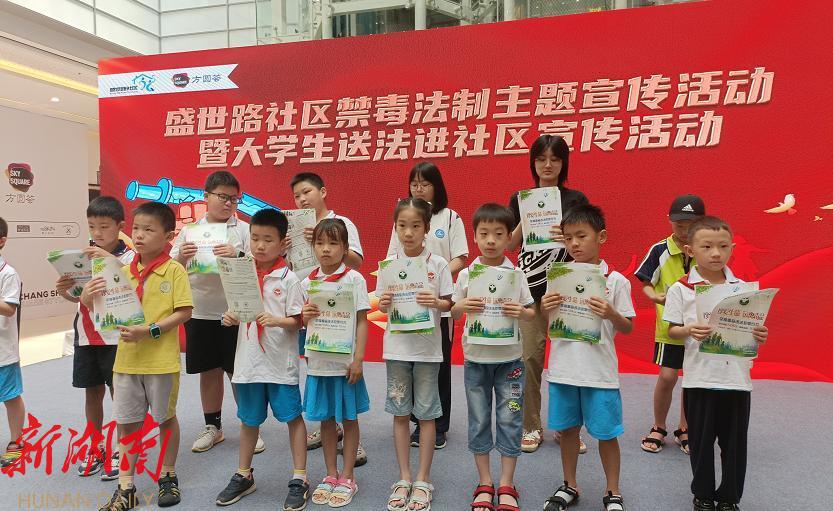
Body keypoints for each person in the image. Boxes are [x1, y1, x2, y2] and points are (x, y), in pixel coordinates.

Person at [82, 202, 193, 510]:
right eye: (136, 229)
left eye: (149, 230)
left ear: (168, 235)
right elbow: (105, 314)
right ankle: (125, 486)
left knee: (165, 418)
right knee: (128, 423)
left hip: (161, 362)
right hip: (126, 362)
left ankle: (168, 475)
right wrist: (88, 298)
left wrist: (150, 330)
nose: (139, 235)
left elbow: (184, 311)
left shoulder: (175, 270)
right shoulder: (120, 273)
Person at [663, 216, 768, 511]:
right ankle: (703, 495)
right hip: (699, 378)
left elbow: (752, 332)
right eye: (706, 246)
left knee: (734, 445)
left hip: (737, 381)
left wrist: (759, 334)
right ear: (690, 250)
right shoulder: (681, 289)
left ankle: (729, 498)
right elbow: (672, 330)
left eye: (723, 246)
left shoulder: (744, 290)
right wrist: (688, 329)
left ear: (732, 248)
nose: (715, 253)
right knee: (700, 442)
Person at [540, 204, 635, 511]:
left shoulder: (616, 280)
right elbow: (548, 324)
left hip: (599, 373)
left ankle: (613, 491)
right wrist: (544, 308)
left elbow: (627, 326)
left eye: (581, 236)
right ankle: (569, 485)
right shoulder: (558, 277)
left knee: (607, 434)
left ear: (601, 237)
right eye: (568, 238)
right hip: (563, 370)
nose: (574, 244)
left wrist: (611, 312)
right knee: (568, 431)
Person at [214, 209, 309, 510]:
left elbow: (298, 320)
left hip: (280, 364)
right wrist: (230, 317)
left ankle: (300, 477)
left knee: (292, 418)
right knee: (248, 420)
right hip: (248, 363)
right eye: (255, 238)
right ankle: (244, 474)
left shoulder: (289, 278)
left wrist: (277, 320)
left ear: (282, 243)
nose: (260, 245)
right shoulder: (240, 272)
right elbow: (237, 309)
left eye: (268, 239)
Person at [508, 134, 589, 454]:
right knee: (529, 359)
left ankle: (568, 428)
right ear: (533, 162)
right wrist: (526, 219)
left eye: (555, 159)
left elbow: (585, 241)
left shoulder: (576, 199)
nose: (548, 165)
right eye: (541, 159)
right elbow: (510, 244)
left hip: (566, 288)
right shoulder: (520, 198)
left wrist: (566, 235)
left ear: (563, 163)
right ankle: (530, 426)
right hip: (529, 290)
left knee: (571, 360)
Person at [450, 203, 534, 511]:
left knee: (511, 418)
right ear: (474, 236)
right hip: (476, 360)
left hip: (510, 361)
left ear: (509, 238)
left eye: (499, 234)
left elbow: (531, 311)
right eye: (484, 233)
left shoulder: (516, 274)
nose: (491, 240)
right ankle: (485, 481)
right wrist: (461, 306)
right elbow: (453, 311)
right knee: (479, 419)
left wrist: (521, 312)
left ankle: (506, 483)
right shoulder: (467, 274)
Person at [377, 198, 453, 511]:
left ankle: (423, 478)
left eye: (415, 226)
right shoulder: (389, 266)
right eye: (402, 226)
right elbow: (382, 306)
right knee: (400, 412)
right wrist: (383, 304)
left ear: (426, 228)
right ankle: (404, 477)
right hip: (396, 349)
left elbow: (449, 304)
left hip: (427, 351)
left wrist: (437, 303)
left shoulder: (438, 265)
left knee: (426, 413)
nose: (408, 232)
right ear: (395, 228)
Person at [387, 161, 468, 450]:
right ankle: (416, 422)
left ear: (437, 186)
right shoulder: (403, 216)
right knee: (409, 364)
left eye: (425, 183)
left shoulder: (450, 217)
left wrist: (434, 274)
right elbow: (391, 260)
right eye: (414, 183)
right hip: (407, 306)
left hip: (439, 304)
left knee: (438, 366)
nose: (419, 188)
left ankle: (439, 425)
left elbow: (461, 257)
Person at [288, 172, 367, 466]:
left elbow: (357, 260)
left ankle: (351, 449)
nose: (302, 199)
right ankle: (330, 442)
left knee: (348, 403)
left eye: (306, 192)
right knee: (322, 390)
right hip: (313, 316)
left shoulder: (342, 223)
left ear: (322, 191)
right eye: (297, 195)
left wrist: (322, 238)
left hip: (342, 327)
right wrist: (286, 248)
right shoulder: (293, 227)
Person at [171, 171, 253, 454]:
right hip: (200, 311)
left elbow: (259, 266)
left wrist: (237, 255)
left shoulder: (244, 230)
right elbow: (171, 271)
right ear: (206, 196)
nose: (228, 203)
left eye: (234, 198)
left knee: (238, 372)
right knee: (208, 371)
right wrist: (182, 256)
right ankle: (213, 427)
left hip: (235, 312)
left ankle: (249, 426)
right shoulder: (189, 231)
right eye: (222, 197)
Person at [55, 196, 135, 480]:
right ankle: (95, 446)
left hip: (117, 337)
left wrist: (109, 260)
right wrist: (65, 291)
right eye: (92, 226)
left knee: (120, 395)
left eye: (104, 226)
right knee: (92, 393)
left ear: (120, 226)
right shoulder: (82, 257)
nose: (97, 233)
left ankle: (121, 448)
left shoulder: (130, 258)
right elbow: (80, 298)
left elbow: (134, 288)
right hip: (87, 334)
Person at [301, 218, 370, 508]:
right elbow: (302, 323)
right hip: (318, 364)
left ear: (345, 248)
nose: (326, 249)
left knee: (350, 420)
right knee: (326, 421)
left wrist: (358, 359)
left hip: (345, 366)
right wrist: (303, 316)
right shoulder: (307, 283)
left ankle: (348, 475)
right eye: (320, 243)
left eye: (333, 243)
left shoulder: (354, 279)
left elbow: (362, 321)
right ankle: (331, 474)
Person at [636, 195, 705, 455]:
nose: (684, 229)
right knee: (668, 376)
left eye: (690, 223)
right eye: (679, 223)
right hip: (670, 328)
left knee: (692, 380)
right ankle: (659, 426)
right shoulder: (659, 250)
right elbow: (645, 281)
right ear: (669, 220)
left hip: (699, 329)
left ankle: (685, 428)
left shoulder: (706, 248)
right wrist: (655, 296)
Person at [0, 217, 25, 469]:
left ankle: (16, 441)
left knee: (10, 396)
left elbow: (9, 308)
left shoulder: (8, 273)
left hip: (3, 352)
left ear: (2, 241)